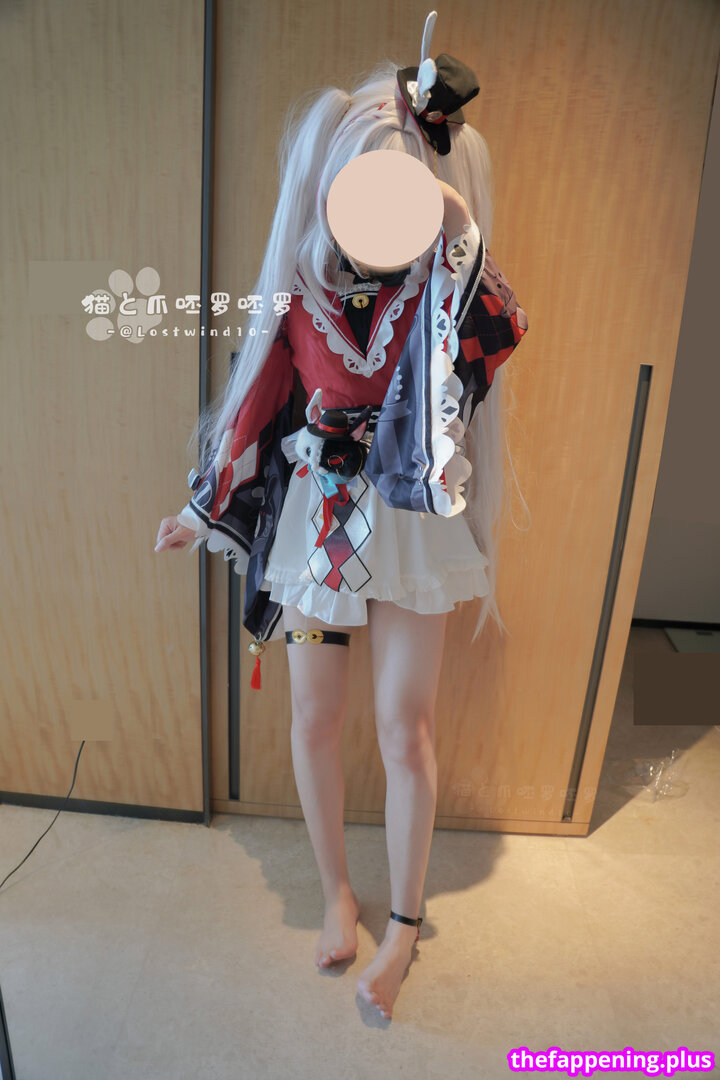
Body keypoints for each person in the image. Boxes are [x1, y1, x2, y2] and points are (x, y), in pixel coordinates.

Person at [155, 12, 527, 1020]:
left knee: (406, 728)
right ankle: (337, 892)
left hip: (407, 518)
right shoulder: (299, 292)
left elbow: (499, 333)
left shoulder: (441, 288)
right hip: (319, 527)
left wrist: (457, 224)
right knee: (314, 719)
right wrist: (202, 506)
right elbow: (256, 400)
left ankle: (403, 923)